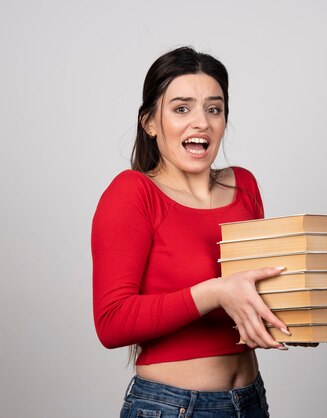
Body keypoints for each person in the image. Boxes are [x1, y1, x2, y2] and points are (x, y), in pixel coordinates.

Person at [91, 46, 291, 418]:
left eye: (213, 109)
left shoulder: (244, 185)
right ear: (150, 122)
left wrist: (301, 314)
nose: (201, 122)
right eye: (181, 108)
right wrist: (214, 292)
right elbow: (111, 322)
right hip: (172, 407)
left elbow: (255, 294)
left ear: (224, 121)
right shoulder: (133, 193)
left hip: (250, 400)